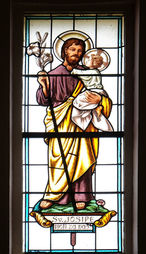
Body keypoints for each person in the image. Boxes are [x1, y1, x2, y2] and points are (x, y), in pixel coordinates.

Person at [36, 38, 112, 210]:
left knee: (82, 158)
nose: (76, 53)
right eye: (72, 50)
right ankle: (56, 195)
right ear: (64, 51)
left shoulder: (88, 73)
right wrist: (44, 85)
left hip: (83, 124)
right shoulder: (54, 74)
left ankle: (81, 196)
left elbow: (102, 97)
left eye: (79, 50)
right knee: (59, 160)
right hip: (61, 122)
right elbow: (43, 100)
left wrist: (100, 100)